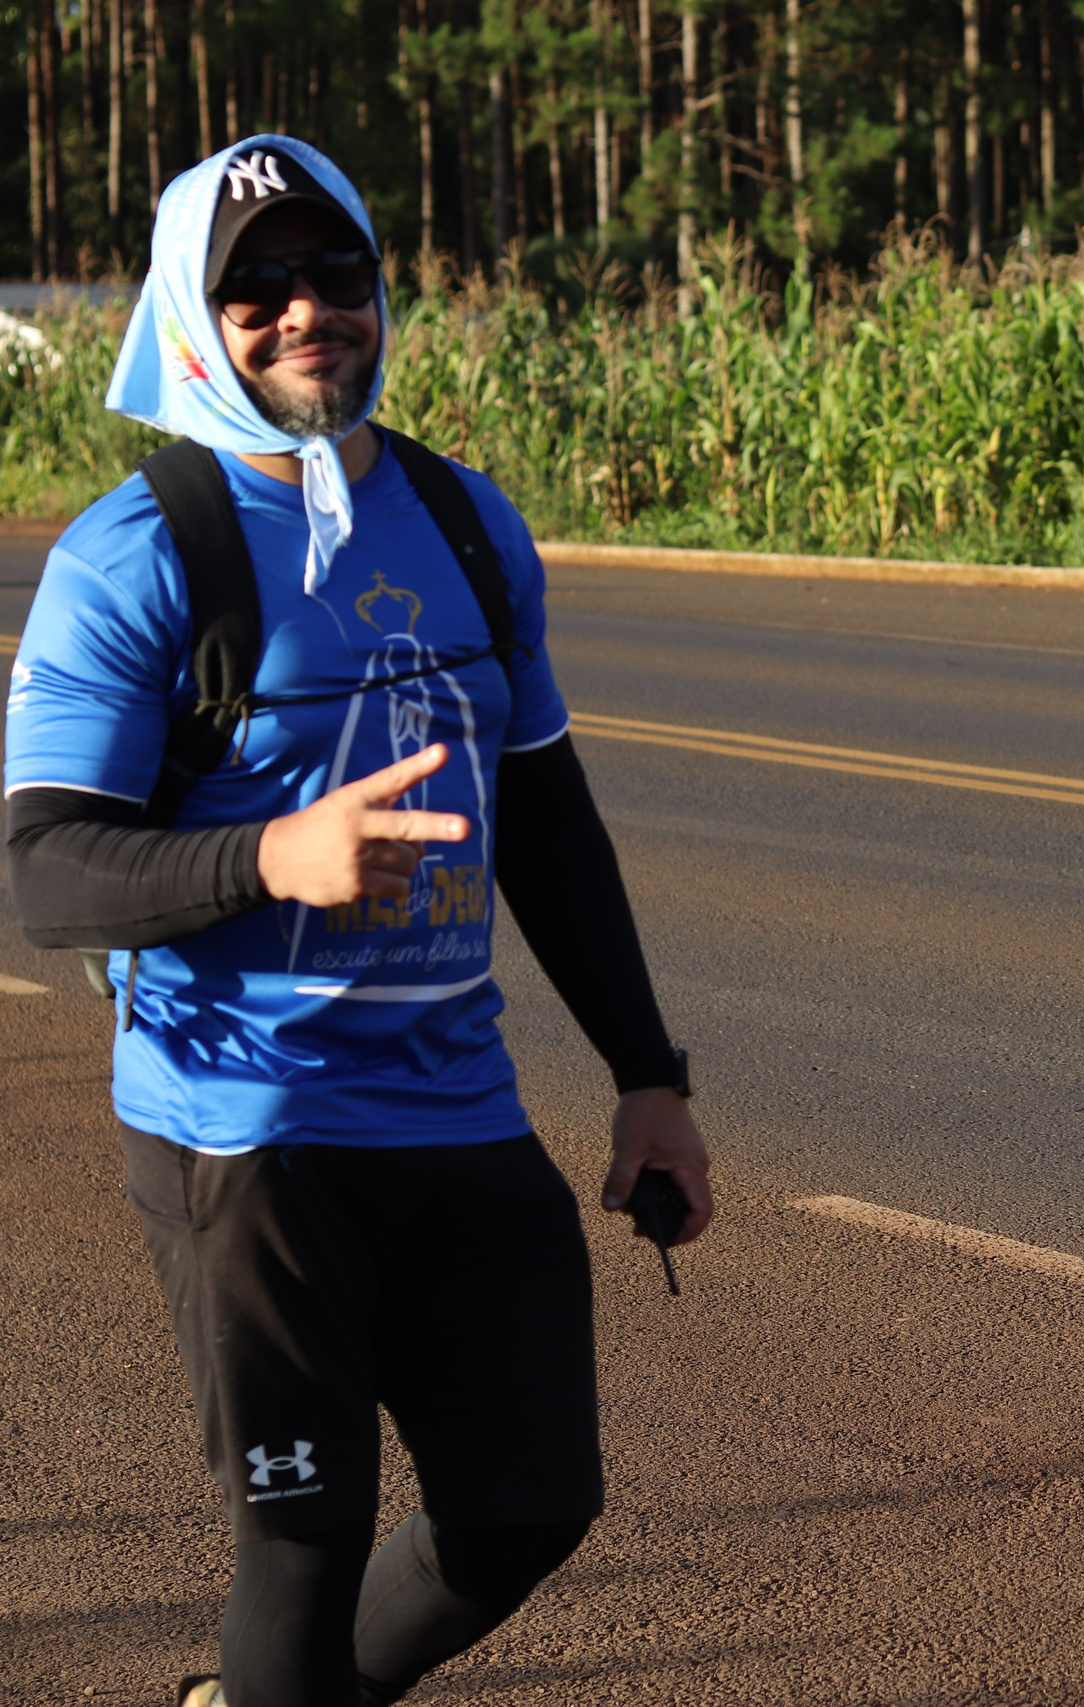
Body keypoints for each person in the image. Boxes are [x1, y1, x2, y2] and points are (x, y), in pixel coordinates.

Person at [2, 136, 713, 1707]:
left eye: (335, 274)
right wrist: (272, 859)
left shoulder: (467, 522)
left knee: (527, 1505)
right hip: (246, 1129)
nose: (306, 309)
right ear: (194, 319)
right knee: (304, 1536)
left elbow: (544, 812)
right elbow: (43, 871)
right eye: (255, 288)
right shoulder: (138, 554)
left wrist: (647, 1075)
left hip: (456, 1107)